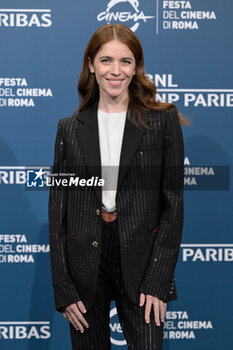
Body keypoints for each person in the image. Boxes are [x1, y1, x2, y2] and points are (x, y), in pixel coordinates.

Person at [49, 23, 189, 350]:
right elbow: (57, 215)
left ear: (136, 67)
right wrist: (63, 289)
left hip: (142, 265)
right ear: (91, 65)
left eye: (125, 61)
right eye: (106, 60)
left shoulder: (162, 120)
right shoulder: (68, 129)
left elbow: (173, 207)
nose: (115, 71)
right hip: (84, 264)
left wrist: (158, 281)